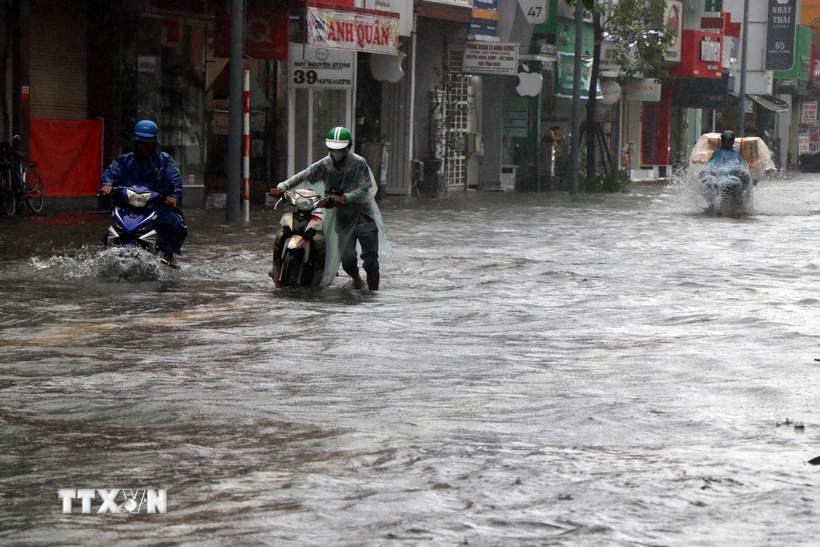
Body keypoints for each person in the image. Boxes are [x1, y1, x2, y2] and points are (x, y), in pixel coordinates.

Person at [269, 126, 390, 290]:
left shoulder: (358, 163)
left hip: (363, 219)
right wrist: (282, 187)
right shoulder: (325, 165)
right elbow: (304, 175)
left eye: (340, 149)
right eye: (333, 149)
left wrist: (345, 197)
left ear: (348, 147)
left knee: (370, 261)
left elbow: (365, 188)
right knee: (347, 261)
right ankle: (357, 280)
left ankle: (373, 294)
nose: (336, 152)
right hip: (343, 219)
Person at [99, 120, 187, 269]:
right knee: (111, 228)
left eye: (147, 143)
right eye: (140, 142)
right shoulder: (124, 161)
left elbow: (174, 179)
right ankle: (103, 253)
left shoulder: (164, 161)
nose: (143, 146)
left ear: (154, 142)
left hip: (155, 205)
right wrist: (107, 185)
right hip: (127, 205)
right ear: (135, 141)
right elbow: (111, 174)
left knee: (176, 226)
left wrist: (172, 195)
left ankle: (169, 254)